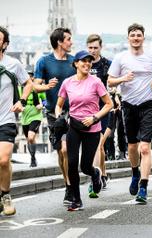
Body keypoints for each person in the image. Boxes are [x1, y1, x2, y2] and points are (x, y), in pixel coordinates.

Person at [108, 23, 152, 204]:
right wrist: (123, 79)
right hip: (129, 105)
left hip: (149, 104)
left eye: (138, 35)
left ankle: (143, 186)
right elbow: (110, 82)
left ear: (143, 38)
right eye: (132, 35)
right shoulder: (120, 58)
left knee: (145, 148)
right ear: (128, 38)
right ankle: (135, 172)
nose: (135, 38)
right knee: (132, 146)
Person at [56, 50, 112, 211]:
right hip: (74, 126)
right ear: (76, 64)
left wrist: (95, 117)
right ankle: (76, 199)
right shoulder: (67, 83)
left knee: (85, 166)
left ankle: (95, 174)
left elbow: (109, 104)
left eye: (89, 61)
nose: (87, 64)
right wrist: (60, 117)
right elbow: (59, 104)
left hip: (92, 128)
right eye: (83, 61)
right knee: (72, 163)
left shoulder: (96, 82)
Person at [34, 27, 76, 205]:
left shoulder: (75, 61)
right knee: (61, 151)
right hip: (53, 113)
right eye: (68, 39)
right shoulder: (43, 61)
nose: (71, 42)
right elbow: (36, 86)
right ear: (59, 42)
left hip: (73, 112)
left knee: (67, 150)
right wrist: (47, 86)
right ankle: (67, 183)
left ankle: (70, 187)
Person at [0, 26, 32, 216]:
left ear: (4, 44)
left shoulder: (13, 64)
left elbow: (27, 83)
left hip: (6, 118)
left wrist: (22, 101)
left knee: (3, 160)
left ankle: (6, 195)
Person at [87, 34, 112, 191]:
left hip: (103, 108)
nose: (93, 51)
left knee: (99, 144)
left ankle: (95, 178)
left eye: (96, 48)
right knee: (98, 147)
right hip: (88, 108)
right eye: (90, 48)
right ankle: (102, 174)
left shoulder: (107, 64)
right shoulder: (83, 63)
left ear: (100, 48)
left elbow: (113, 82)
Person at [19, 68, 46, 167]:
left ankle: (33, 159)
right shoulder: (20, 89)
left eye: (31, 76)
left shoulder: (37, 88)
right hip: (25, 117)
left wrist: (42, 105)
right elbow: (16, 101)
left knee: (31, 137)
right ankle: (33, 158)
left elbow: (45, 100)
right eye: (27, 76)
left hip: (36, 115)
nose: (29, 78)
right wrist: (19, 107)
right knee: (29, 139)